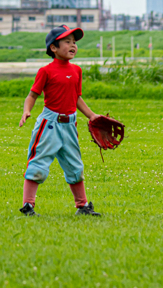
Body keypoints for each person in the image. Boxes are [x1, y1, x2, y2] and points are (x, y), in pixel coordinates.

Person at [18, 24, 101, 216]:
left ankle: (82, 206)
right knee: (39, 163)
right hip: (50, 124)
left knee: (75, 166)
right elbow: (32, 95)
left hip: (70, 124)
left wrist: (92, 115)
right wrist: (26, 111)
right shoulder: (46, 71)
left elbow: (76, 98)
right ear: (53, 48)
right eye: (67, 42)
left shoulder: (77, 71)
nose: (72, 46)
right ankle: (28, 205)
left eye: (74, 42)